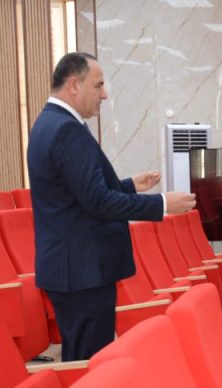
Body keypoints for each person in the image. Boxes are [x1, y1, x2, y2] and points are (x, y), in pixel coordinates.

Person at [27, 52, 196, 361]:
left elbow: (75, 194)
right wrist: (161, 204)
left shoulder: (47, 123)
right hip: (83, 271)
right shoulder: (66, 129)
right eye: (98, 85)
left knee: (85, 360)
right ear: (74, 85)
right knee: (90, 364)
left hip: (72, 269)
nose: (104, 94)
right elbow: (97, 201)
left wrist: (129, 185)